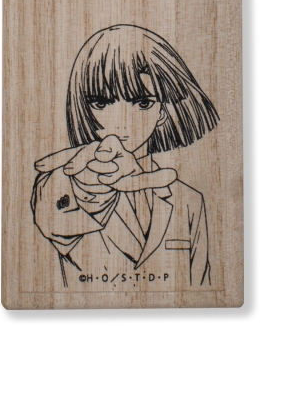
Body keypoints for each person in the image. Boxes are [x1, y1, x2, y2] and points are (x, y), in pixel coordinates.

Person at [31, 24, 219, 287]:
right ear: (84, 108)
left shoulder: (189, 201)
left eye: (142, 103)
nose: (121, 122)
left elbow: (201, 288)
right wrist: (82, 188)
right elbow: (54, 216)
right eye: (101, 103)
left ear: (162, 111)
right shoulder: (67, 184)